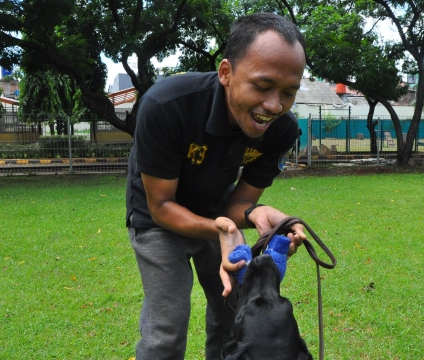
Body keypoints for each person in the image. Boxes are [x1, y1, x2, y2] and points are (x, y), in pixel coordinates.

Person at [125, 12, 308, 360]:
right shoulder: (166, 106)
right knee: (165, 333)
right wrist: (220, 229)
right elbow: (160, 206)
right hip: (157, 220)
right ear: (226, 73)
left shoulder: (282, 130)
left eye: (288, 92)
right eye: (262, 85)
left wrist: (258, 214)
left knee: (233, 320)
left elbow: (238, 204)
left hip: (216, 212)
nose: (274, 105)